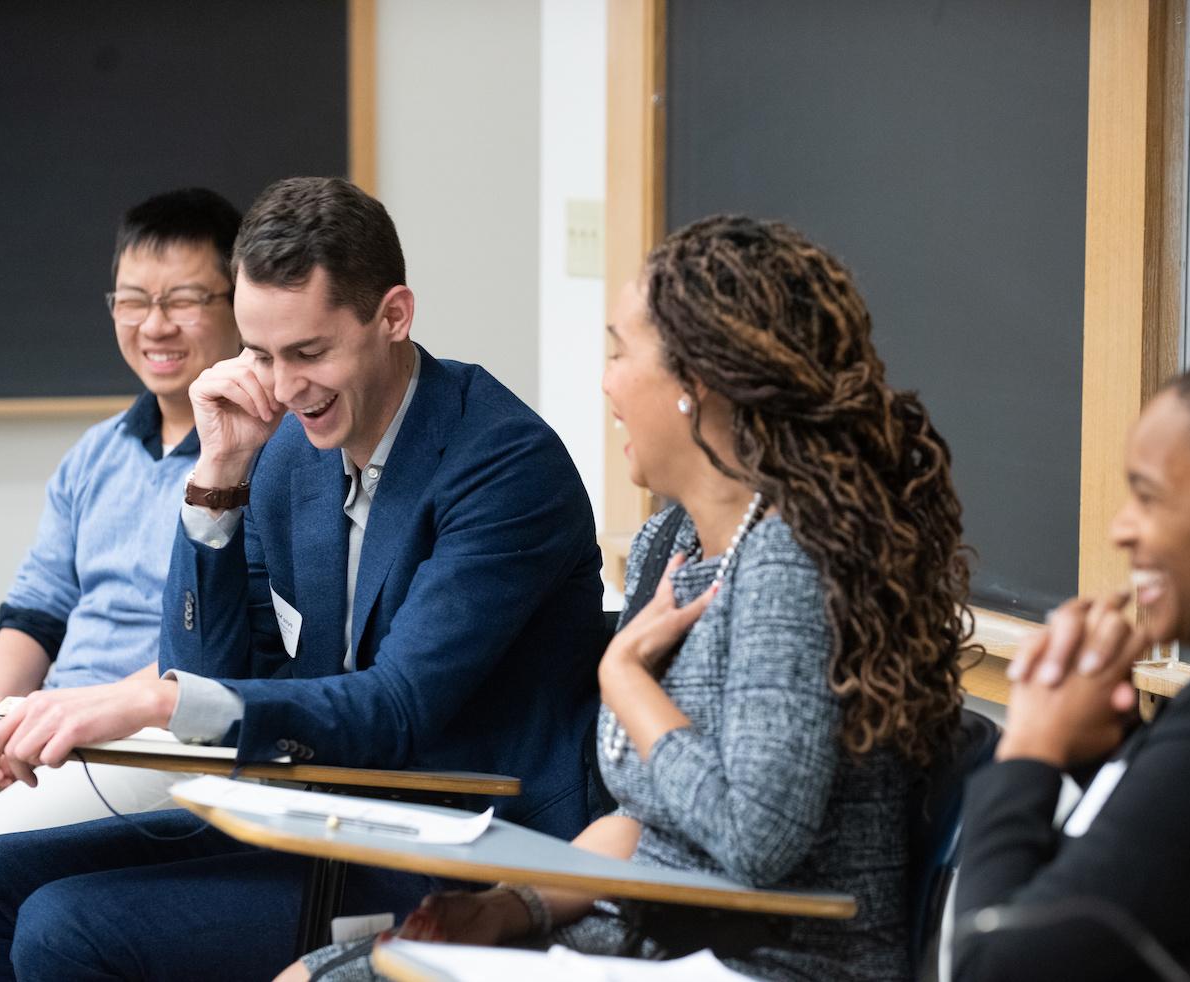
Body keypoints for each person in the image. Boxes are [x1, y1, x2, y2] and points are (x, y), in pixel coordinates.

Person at [0, 177, 604, 982]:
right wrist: (217, 476)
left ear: (393, 316)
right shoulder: (285, 450)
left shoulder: (502, 462)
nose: (280, 389)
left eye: (309, 353)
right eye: (260, 355)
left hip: (458, 841)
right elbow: (205, 667)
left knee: (66, 929)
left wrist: (154, 698)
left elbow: (398, 707)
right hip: (314, 813)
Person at [281, 215, 974, 982]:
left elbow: (754, 840)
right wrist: (508, 907)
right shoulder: (668, 544)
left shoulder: (790, 561)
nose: (605, 381)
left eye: (619, 351)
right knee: (319, 973)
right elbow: (644, 824)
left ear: (697, 381)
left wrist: (625, 680)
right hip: (643, 943)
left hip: (763, 965)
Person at [0, 187, 242, 969]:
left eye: (182, 300)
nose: (154, 326)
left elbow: (228, 645)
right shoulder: (96, 451)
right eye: (133, 300)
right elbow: (35, 614)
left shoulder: (261, 454)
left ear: (238, 301)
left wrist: (73, 718)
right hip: (38, 722)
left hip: (157, 735)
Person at [954, 342, 1190, 981]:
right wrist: (1108, 750)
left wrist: (1030, 747)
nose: (1121, 530)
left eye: (1150, 497)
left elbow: (988, 966)